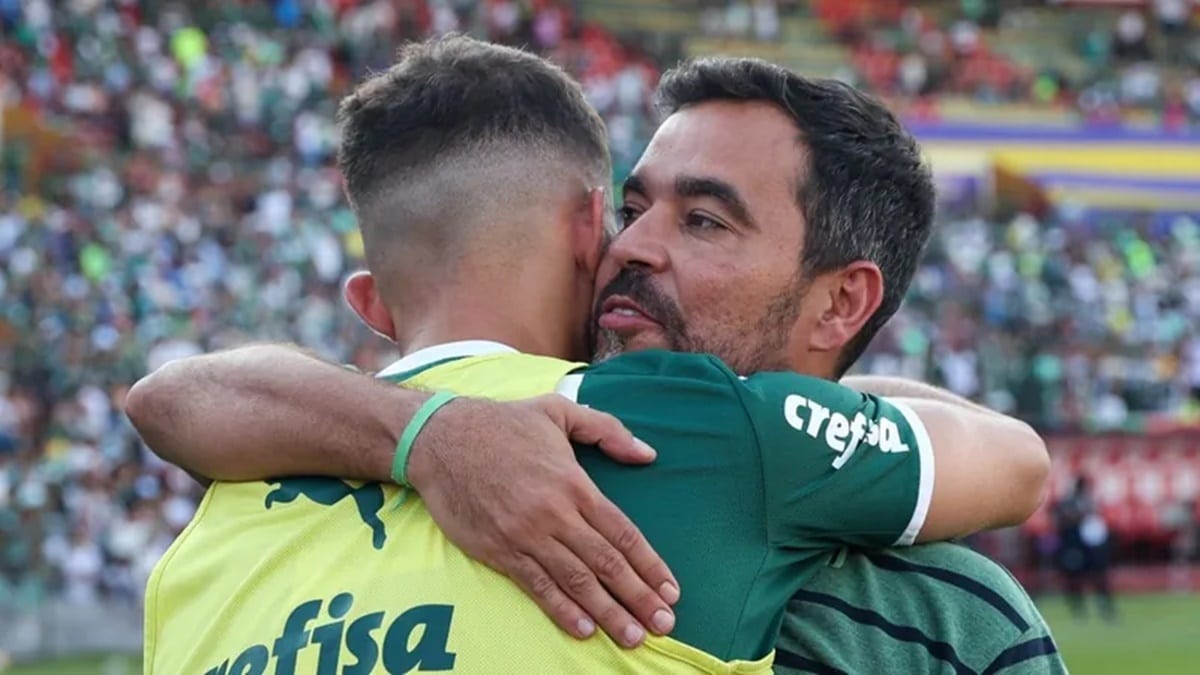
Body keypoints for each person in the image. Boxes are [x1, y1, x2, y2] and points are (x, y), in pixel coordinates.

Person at [127, 37, 1055, 673]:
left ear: (371, 306)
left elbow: (166, 396)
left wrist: (426, 433)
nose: (634, 246)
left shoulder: (219, 518)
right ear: (586, 230)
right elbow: (1014, 458)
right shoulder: (697, 436)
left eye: (700, 219)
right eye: (631, 208)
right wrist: (433, 438)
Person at [1053, 475, 1116, 622]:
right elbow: (1061, 519)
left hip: (1091, 547)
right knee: (1074, 579)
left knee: (1099, 578)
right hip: (1074, 546)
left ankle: (1104, 607)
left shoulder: (1090, 503)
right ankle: (1078, 609)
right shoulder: (1068, 503)